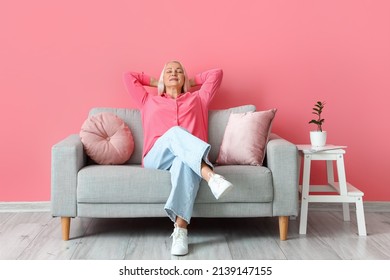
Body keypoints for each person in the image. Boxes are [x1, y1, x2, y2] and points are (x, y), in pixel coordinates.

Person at [123, 61, 233, 256]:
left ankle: (180, 230)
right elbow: (128, 76)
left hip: (188, 159)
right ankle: (210, 176)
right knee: (175, 132)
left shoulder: (198, 99)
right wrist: (157, 81)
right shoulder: (148, 101)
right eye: (169, 71)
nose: (174, 73)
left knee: (184, 163)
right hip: (156, 157)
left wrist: (190, 81)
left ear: (184, 78)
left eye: (179, 71)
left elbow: (216, 73)